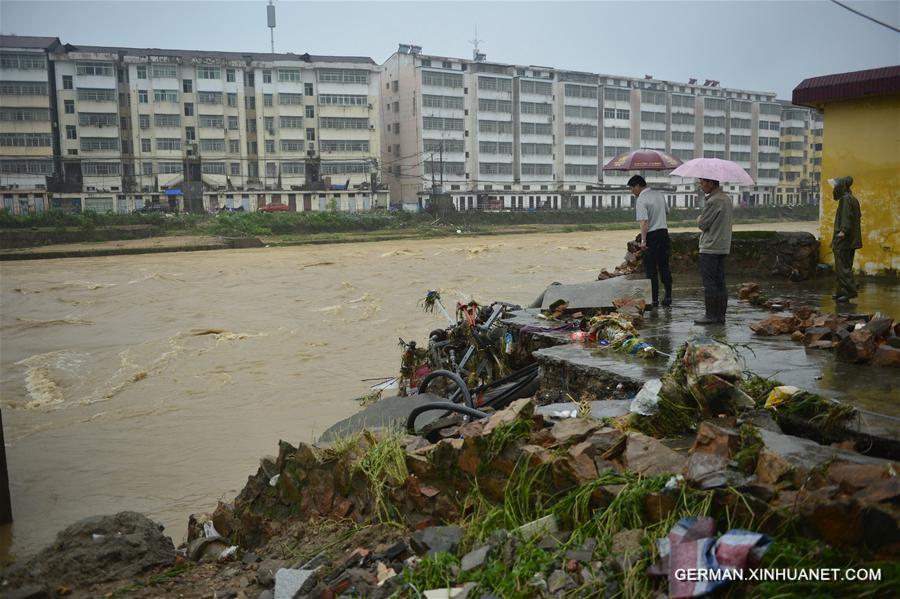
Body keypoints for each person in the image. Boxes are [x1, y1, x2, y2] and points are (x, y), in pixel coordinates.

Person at [628, 175, 672, 307]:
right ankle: (668, 296)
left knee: (651, 269)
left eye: (631, 188)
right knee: (664, 266)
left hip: (652, 236)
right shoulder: (659, 194)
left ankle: (654, 299)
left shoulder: (641, 199)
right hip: (664, 234)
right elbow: (667, 212)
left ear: (637, 186)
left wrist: (643, 241)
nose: (632, 191)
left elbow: (644, 222)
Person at [694, 178, 733, 325]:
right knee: (720, 282)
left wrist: (699, 218)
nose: (701, 185)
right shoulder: (726, 199)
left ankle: (710, 315)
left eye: (703, 182)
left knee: (710, 283)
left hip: (711, 246)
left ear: (711, 183)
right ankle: (720, 315)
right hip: (722, 245)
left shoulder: (714, 201)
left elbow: (703, 224)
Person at [829, 176, 861, 302]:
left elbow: (846, 217)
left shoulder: (845, 200)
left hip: (844, 240)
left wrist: (843, 231)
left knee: (842, 267)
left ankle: (850, 291)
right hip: (851, 240)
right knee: (844, 265)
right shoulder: (853, 199)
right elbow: (857, 216)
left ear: (841, 187)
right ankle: (841, 290)